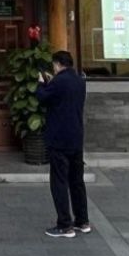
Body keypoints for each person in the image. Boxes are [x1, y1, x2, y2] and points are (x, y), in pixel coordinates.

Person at [36, 50, 90, 238]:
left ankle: (64, 225)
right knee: (77, 181)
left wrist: (41, 83)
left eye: (54, 65)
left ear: (58, 64)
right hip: (76, 137)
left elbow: (43, 98)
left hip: (59, 139)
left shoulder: (58, 82)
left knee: (59, 181)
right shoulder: (80, 80)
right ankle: (82, 221)